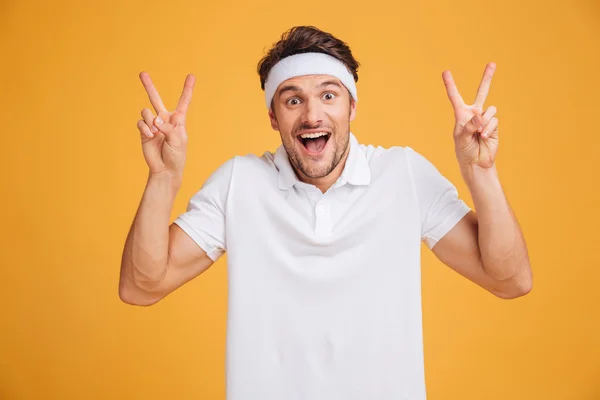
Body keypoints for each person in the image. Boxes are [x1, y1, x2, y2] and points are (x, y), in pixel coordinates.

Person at [119, 25, 532, 400]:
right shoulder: (239, 184)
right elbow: (142, 286)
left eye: (328, 95)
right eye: (293, 99)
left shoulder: (403, 174)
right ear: (272, 117)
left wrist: (481, 173)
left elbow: (509, 279)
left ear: (351, 106)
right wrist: (163, 177)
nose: (312, 115)